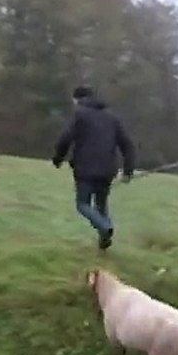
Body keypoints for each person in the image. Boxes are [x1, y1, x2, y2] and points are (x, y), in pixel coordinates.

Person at [52, 85, 136, 250]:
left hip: (85, 168)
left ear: (77, 100)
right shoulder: (112, 118)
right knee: (101, 204)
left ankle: (105, 228)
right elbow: (127, 145)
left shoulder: (80, 114)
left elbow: (65, 138)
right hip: (107, 170)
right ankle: (104, 240)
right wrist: (128, 170)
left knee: (83, 204)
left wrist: (58, 158)